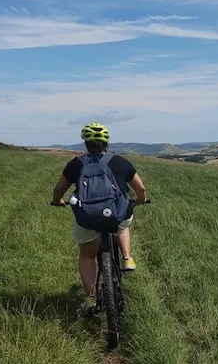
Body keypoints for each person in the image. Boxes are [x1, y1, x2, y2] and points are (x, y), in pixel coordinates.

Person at [50, 123, 147, 314]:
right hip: (116, 214)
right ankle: (127, 258)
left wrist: (58, 201)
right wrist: (140, 200)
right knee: (122, 222)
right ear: (106, 143)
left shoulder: (76, 164)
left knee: (87, 255)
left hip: (88, 218)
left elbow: (58, 189)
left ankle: (91, 299)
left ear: (85, 143)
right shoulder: (120, 161)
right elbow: (140, 189)